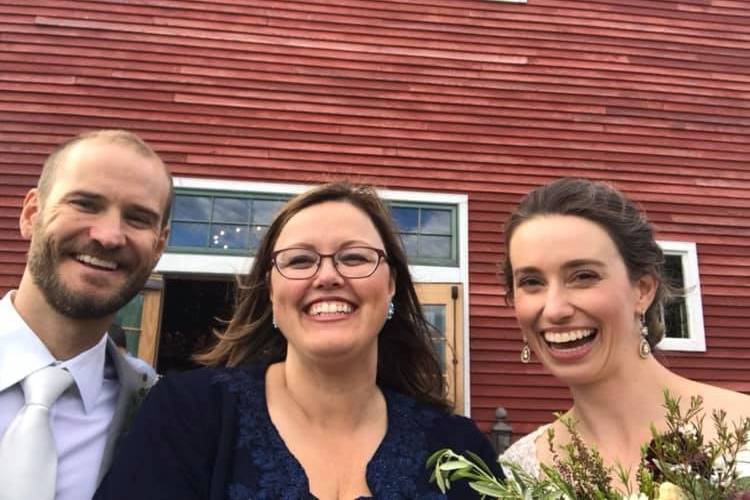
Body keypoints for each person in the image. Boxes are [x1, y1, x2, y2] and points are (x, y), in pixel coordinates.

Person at [95, 182, 503, 499]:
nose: (327, 276)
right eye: (300, 260)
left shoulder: (458, 449)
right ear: (271, 291)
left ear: (391, 284)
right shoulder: (187, 416)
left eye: (355, 257)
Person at [498, 177, 750, 488]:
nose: (554, 309)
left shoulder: (744, 434)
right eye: (532, 282)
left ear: (642, 290)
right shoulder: (518, 474)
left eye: (583, 276)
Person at [0, 129, 171, 500]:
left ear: (159, 246)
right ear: (32, 214)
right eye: (85, 204)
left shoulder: (157, 411)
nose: (109, 236)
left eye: (138, 218)